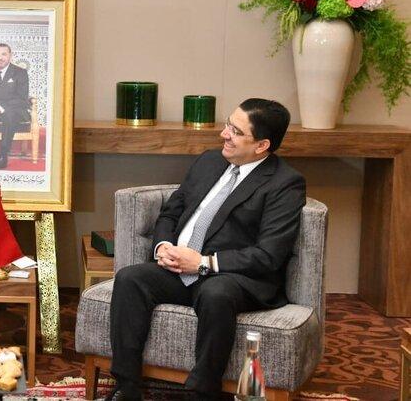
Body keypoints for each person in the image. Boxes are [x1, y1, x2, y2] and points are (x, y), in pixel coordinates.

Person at [107, 99, 306, 400]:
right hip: (179, 267)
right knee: (130, 279)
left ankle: (202, 392)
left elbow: (269, 254)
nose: (224, 134)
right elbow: (171, 212)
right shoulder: (209, 161)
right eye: (228, 125)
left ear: (262, 145)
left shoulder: (284, 183)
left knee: (216, 294)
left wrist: (204, 262)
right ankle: (126, 386)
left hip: (231, 276)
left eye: (236, 131)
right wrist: (163, 246)